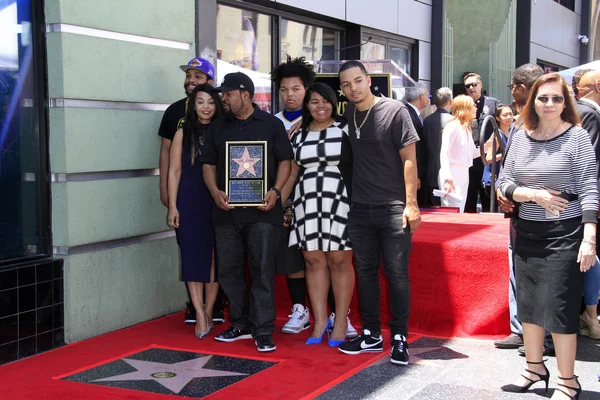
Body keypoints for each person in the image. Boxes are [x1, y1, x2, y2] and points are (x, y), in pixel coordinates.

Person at [498, 73, 598, 399]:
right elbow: (504, 183)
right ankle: (534, 368)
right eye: (543, 98)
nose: (550, 104)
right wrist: (532, 195)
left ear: (565, 102)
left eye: (556, 98)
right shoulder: (521, 136)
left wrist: (589, 238)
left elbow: (589, 189)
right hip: (527, 232)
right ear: (533, 102)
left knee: (559, 307)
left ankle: (568, 380)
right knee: (528, 305)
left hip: (565, 233)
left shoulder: (578, 138)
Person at [200, 72, 293, 352]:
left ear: (245, 94)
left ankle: (263, 330)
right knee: (229, 271)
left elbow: (286, 162)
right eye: (223, 94)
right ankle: (240, 324)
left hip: (263, 213)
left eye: (227, 94)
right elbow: (208, 165)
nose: (223, 98)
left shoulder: (271, 125)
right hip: (226, 213)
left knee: (262, 271)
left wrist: (275, 191)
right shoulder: (218, 127)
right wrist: (215, 192)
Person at [336, 61, 421, 365]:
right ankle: (371, 334)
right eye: (346, 85)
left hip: (393, 208)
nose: (353, 88)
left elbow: (409, 159)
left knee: (397, 274)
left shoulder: (395, 110)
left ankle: (399, 336)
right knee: (367, 273)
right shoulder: (348, 113)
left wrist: (411, 204)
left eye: (357, 81)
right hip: (360, 209)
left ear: (369, 80)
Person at [270, 56, 357, 338]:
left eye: (325, 101)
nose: (320, 107)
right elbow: (292, 174)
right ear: (308, 105)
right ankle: (319, 321)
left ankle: (341, 321)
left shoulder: (347, 130)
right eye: (314, 102)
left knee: (339, 262)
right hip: (306, 205)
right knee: (313, 262)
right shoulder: (298, 135)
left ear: (334, 103)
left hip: (339, 203)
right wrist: (279, 203)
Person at [157, 57, 226, 326]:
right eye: (189, 75)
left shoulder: (224, 126)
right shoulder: (178, 122)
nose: (191, 80)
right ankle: (198, 311)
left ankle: (211, 309)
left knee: (215, 256)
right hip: (187, 198)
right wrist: (169, 198)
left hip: (216, 199)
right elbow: (170, 163)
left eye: (198, 76)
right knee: (191, 255)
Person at [495, 64, 554, 355]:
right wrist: (503, 191)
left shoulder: (554, 122)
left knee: (545, 274)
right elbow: (509, 168)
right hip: (518, 210)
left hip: (550, 212)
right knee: (517, 268)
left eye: (513, 87)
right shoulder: (519, 122)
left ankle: (547, 337)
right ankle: (520, 329)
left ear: (522, 87)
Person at [574, 70, 600, 339]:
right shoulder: (589, 113)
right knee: (590, 257)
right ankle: (590, 316)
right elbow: (588, 164)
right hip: (586, 200)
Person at [438, 95, 488, 212]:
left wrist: (488, 146)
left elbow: (471, 153)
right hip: (452, 173)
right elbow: (444, 152)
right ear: (464, 109)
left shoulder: (466, 128)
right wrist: (447, 178)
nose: (476, 108)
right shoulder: (452, 126)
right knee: (452, 211)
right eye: (473, 106)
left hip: (463, 173)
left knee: (459, 210)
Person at [463, 72, 499, 213]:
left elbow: (503, 122)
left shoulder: (493, 103)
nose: (472, 88)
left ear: (481, 85)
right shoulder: (464, 105)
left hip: (487, 156)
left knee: (487, 195)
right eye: (468, 85)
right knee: (469, 195)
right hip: (470, 155)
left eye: (474, 84)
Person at [422, 87, 453, 206]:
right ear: (450, 101)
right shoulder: (453, 120)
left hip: (431, 169)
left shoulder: (427, 120)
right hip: (449, 170)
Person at [404, 82, 431, 207]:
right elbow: (414, 148)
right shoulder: (408, 114)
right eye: (427, 96)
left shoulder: (414, 114)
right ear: (421, 97)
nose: (428, 99)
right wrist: (416, 175)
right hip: (415, 174)